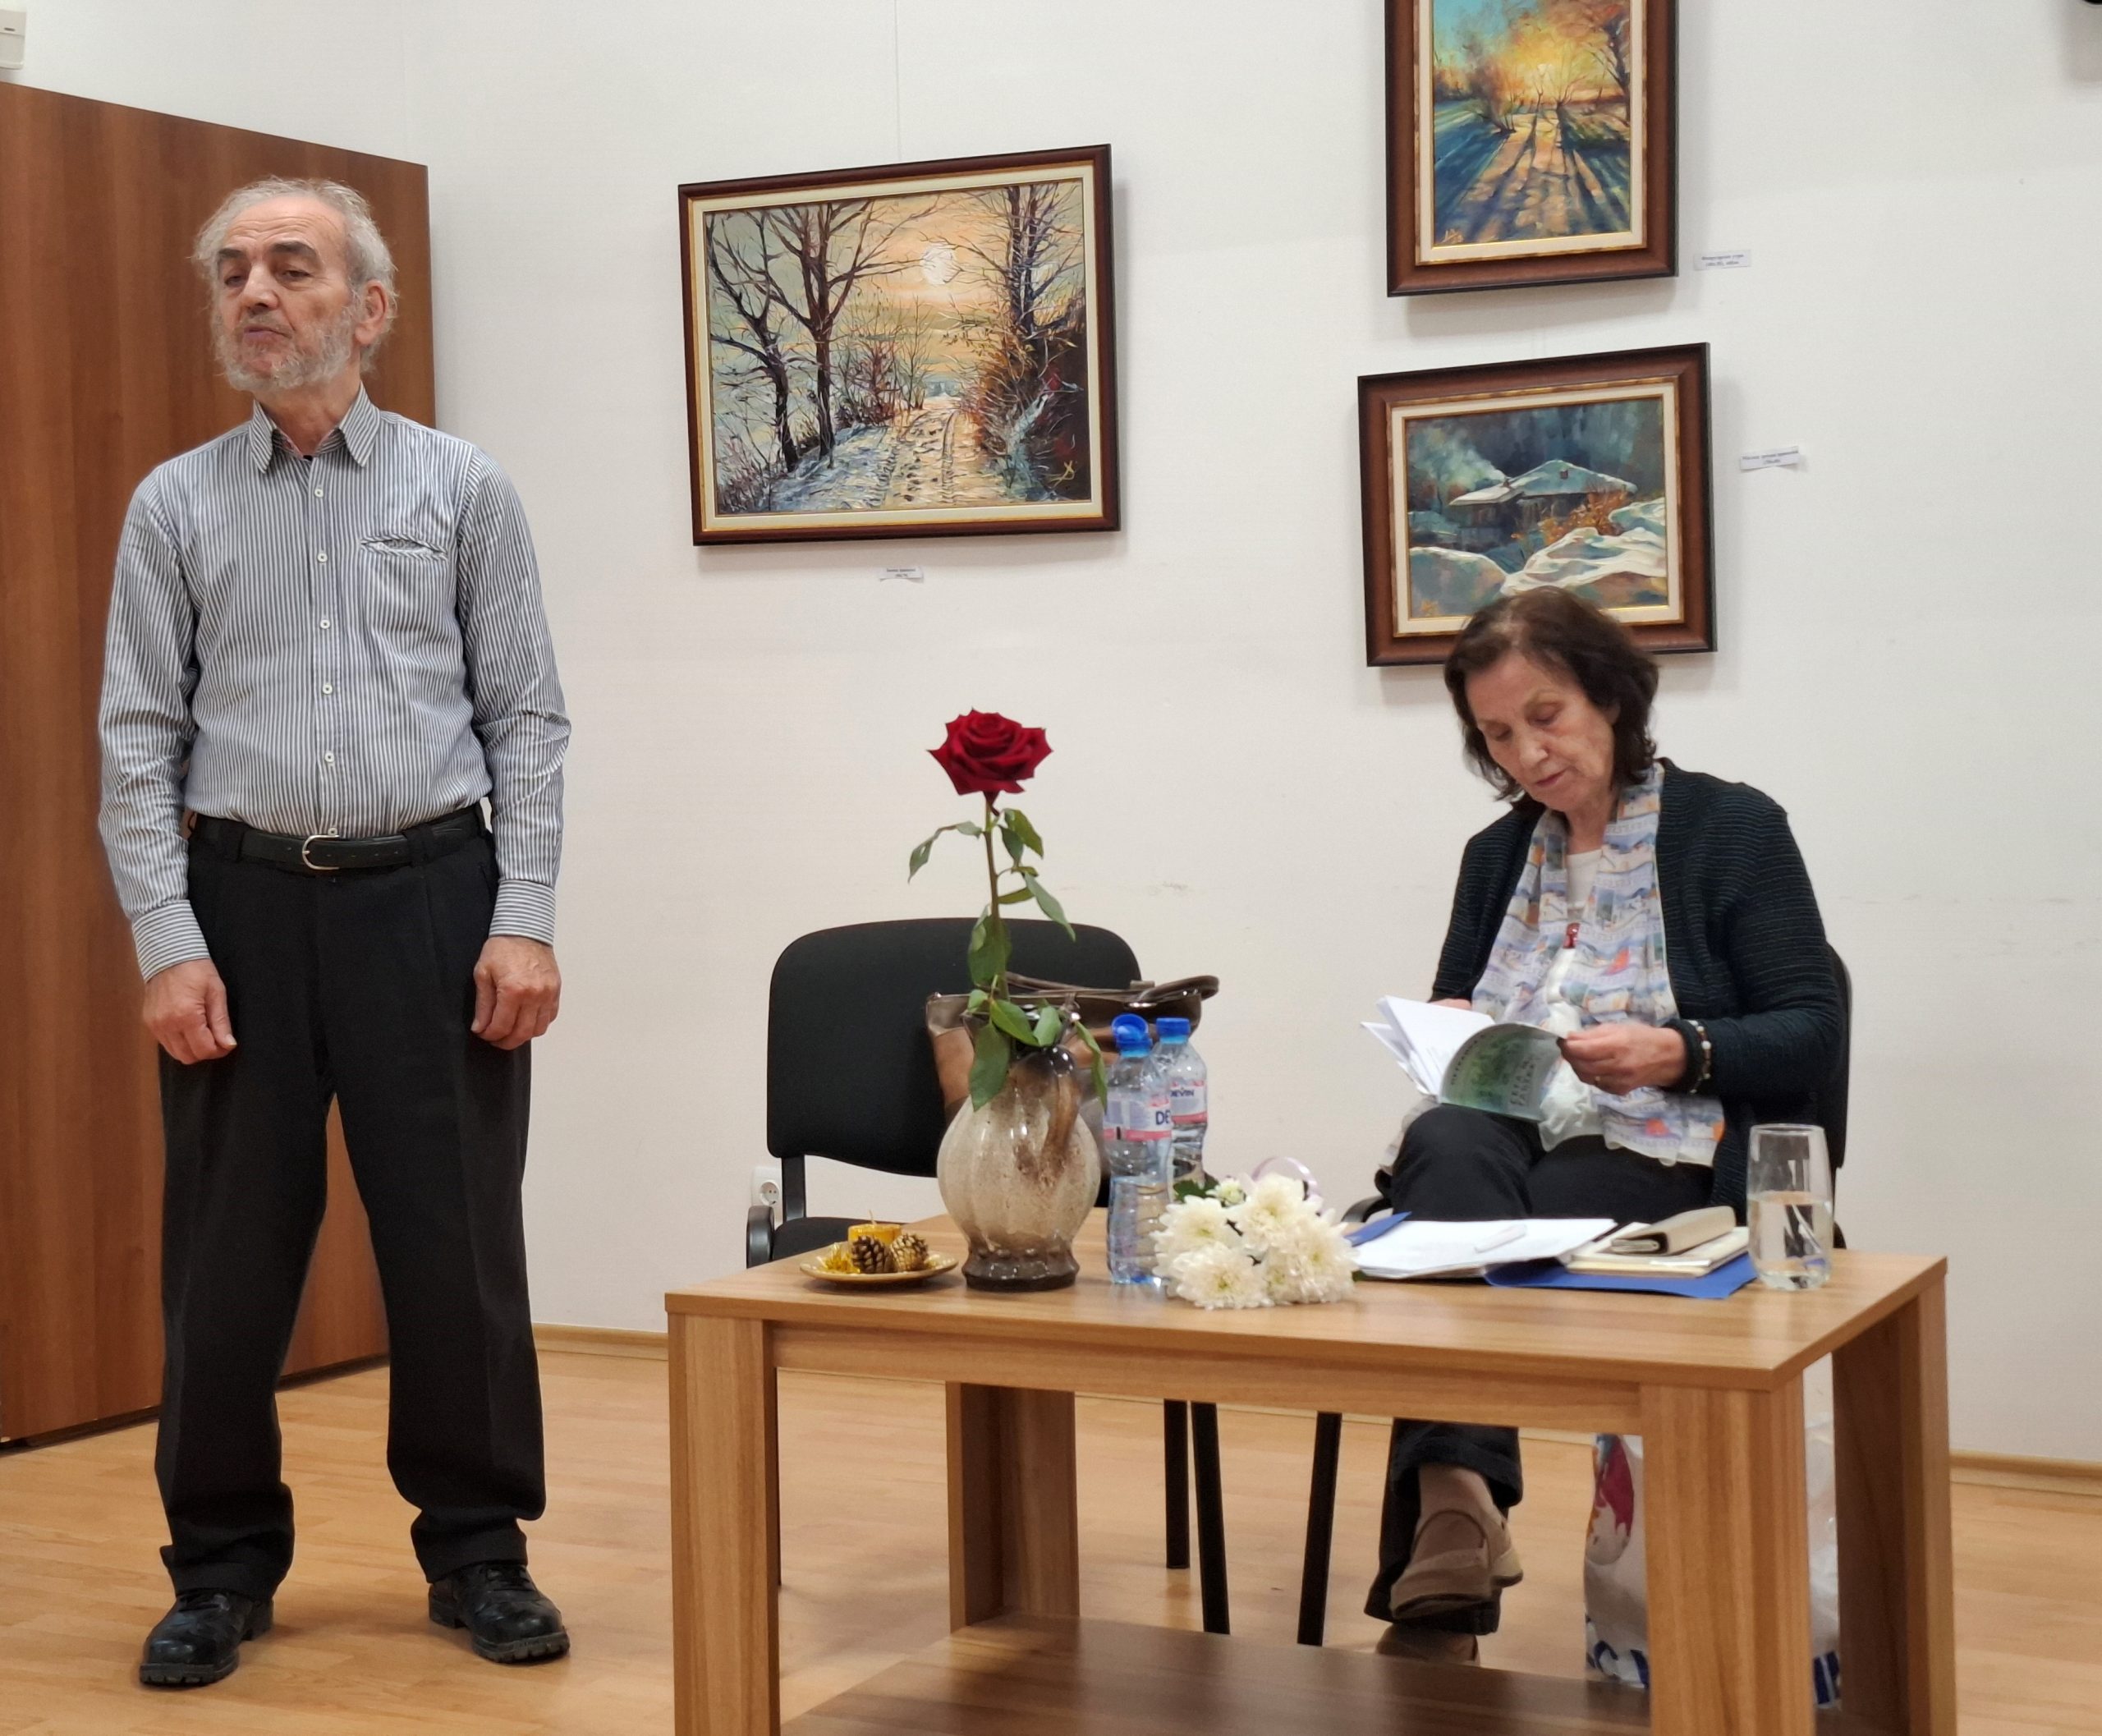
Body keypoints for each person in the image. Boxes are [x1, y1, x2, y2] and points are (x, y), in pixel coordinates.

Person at [98, 178, 572, 1688]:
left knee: (455, 1246)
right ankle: (218, 1566)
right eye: (233, 271)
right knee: (226, 1259)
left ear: (367, 308)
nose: (255, 293)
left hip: (432, 898)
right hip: (238, 909)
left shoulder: (461, 489)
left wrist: (525, 917)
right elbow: (135, 738)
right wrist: (167, 937)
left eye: (290, 268)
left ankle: (479, 1549)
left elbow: (527, 719)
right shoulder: (174, 504)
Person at [1367, 589, 1842, 1662]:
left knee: (1452, 1230)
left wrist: (1682, 1050)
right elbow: (1461, 1008)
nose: (1528, 753)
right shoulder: (1498, 856)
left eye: (1547, 716)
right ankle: (1457, 1506)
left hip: (1672, 1155)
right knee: (1446, 1144)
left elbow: (1810, 1027)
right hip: (1512, 1142)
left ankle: (1449, 1534)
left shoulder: (1732, 829)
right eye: (1498, 734)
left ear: (1612, 697)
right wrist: (1451, 1029)